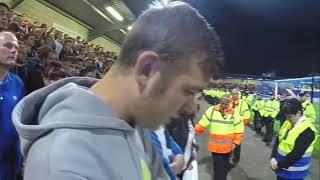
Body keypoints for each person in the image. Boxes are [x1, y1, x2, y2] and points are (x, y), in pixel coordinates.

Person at [12, 1, 223, 180]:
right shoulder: (64, 167)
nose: (189, 107)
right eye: (187, 91)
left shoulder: (134, 124)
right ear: (148, 70)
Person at [195, 94, 244, 180]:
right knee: (219, 169)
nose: (224, 105)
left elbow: (239, 130)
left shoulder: (234, 113)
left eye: (226, 104)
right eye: (222, 103)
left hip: (228, 147)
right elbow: (202, 124)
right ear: (220, 102)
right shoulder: (212, 110)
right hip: (216, 148)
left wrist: (236, 143)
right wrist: (193, 132)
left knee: (225, 166)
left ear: (229, 103)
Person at [270, 98, 317, 180]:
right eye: (286, 116)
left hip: (294, 174)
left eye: (290, 116)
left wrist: (278, 165)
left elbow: (296, 154)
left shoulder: (308, 130)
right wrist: (273, 157)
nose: (287, 119)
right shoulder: (288, 123)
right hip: (281, 170)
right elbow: (278, 140)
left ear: (299, 113)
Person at [0, 31, 24, 180]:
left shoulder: (17, 82)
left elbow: (19, 120)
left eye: (16, 47)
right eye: (8, 46)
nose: (14, 50)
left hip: (10, 162)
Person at [229, 88, 249, 166]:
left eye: (236, 94)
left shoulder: (243, 103)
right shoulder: (229, 102)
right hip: (229, 126)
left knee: (237, 143)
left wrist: (242, 124)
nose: (234, 95)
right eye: (233, 94)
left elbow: (246, 114)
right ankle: (228, 156)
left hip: (239, 127)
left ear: (239, 95)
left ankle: (236, 159)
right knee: (228, 142)